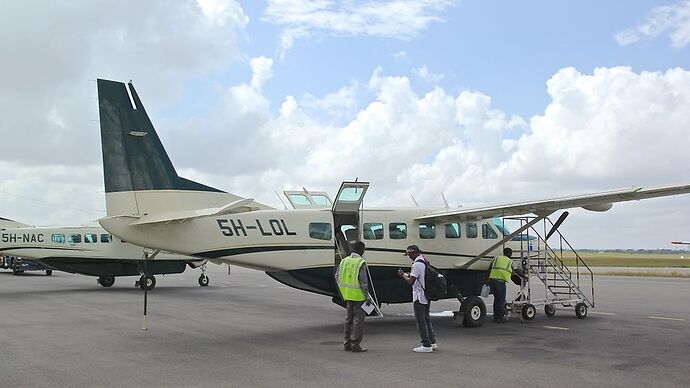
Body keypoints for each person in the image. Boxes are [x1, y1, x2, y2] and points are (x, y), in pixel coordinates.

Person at [397, 244, 437, 353]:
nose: (409, 256)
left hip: (419, 297)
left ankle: (426, 344)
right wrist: (408, 274)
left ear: (415, 253)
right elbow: (417, 276)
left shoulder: (416, 265)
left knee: (421, 321)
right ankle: (432, 342)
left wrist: (402, 275)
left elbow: (411, 281)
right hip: (427, 295)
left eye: (410, 254)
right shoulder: (424, 261)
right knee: (426, 319)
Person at [336, 241, 370, 353]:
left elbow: (337, 276)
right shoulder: (360, 262)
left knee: (348, 320)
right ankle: (356, 344)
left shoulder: (344, 261)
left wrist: (343, 290)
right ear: (361, 250)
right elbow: (363, 282)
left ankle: (347, 343)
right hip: (359, 296)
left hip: (347, 295)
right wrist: (367, 296)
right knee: (358, 321)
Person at [488, 247, 514, 323]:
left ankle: (496, 317)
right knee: (501, 301)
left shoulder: (496, 258)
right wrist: (524, 276)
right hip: (500, 283)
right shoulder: (510, 261)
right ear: (510, 254)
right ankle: (499, 318)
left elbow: (489, 269)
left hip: (492, 281)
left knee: (496, 300)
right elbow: (517, 270)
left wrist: (487, 279)